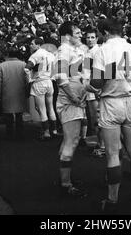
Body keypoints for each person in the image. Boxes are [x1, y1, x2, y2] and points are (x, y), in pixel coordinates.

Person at [90, 18, 131, 213]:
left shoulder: (102, 50)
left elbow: (97, 82)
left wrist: (89, 85)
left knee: (113, 154)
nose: (98, 35)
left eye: (99, 32)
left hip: (111, 101)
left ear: (105, 31)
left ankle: (112, 199)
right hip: (130, 100)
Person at [54, 21, 87, 198]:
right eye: (77, 33)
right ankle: (65, 184)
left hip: (74, 102)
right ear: (67, 36)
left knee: (70, 140)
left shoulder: (71, 50)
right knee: (71, 141)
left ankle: (64, 179)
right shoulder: (64, 50)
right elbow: (60, 77)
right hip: (70, 103)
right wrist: (73, 97)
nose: (80, 35)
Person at [25, 38, 57, 141]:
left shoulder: (35, 55)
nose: (30, 45)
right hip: (49, 82)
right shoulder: (51, 55)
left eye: (32, 44)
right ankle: (54, 130)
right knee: (50, 107)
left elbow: (26, 68)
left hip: (39, 81)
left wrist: (29, 79)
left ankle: (46, 132)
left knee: (41, 109)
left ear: (38, 45)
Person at [0, 47, 29, 140]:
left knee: (8, 115)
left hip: (7, 93)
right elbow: (27, 80)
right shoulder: (23, 64)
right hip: (20, 92)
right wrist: (27, 91)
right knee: (19, 115)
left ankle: (9, 134)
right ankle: (20, 134)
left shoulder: (2, 65)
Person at [83, 26, 105, 157]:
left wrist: (98, 88)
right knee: (93, 119)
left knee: (98, 119)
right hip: (88, 88)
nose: (90, 40)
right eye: (88, 37)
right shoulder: (87, 52)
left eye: (92, 37)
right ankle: (99, 143)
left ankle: (103, 146)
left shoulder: (98, 51)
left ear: (97, 39)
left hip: (95, 88)